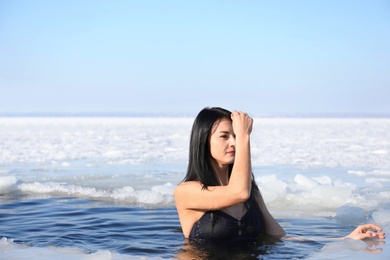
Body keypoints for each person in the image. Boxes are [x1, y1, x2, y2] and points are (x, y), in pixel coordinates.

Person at [174, 107, 385, 244]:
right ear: (203, 141)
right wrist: (246, 135)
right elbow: (237, 192)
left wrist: (346, 239)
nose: (234, 142)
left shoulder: (252, 194)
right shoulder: (187, 192)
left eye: (236, 136)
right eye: (224, 136)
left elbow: (280, 237)